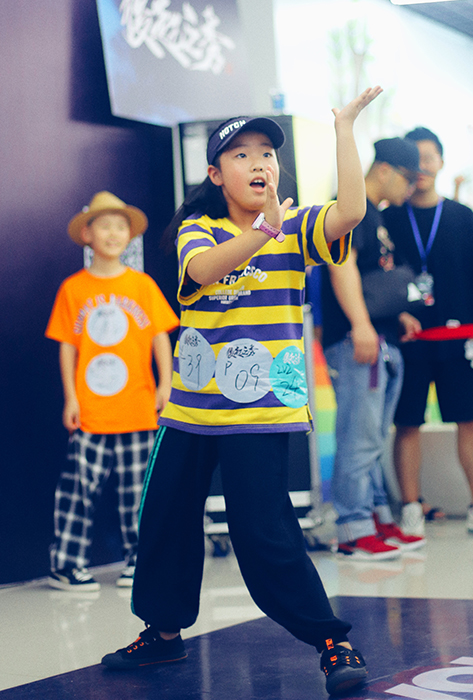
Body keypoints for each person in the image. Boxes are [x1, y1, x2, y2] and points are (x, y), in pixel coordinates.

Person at [101, 86, 382, 696]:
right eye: (242, 154)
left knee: (265, 532)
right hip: (192, 410)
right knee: (166, 519)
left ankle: (332, 642)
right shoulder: (197, 228)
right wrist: (262, 231)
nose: (259, 163)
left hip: (264, 411)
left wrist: (343, 129)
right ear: (215, 173)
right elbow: (205, 270)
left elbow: (351, 212)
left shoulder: (297, 228)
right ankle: (163, 634)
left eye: (267, 154)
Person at [45, 191, 179, 591]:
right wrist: (71, 398)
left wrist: (166, 385)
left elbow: (160, 338)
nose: (113, 233)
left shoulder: (142, 285)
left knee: (139, 492)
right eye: (104, 225)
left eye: (121, 226)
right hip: (91, 411)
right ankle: (66, 565)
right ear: (87, 234)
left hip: (138, 407)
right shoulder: (73, 289)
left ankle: (139, 561)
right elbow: (67, 347)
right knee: (77, 489)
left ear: (130, 235)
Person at [321, 137, 426, 560]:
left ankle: (375, 517)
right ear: (384, 170)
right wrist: (361, 323)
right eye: (408, 179)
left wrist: (394, 316)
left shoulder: (375, 215)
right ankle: (353, 528)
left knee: (373, 437)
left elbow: (371, 277)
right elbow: (341, 265)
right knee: (358, 436)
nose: (411, 188)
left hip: (378, 338)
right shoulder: (349, 207)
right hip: (357, 340)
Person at [384, 127, 473, 536]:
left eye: (428, 158)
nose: (421, 167)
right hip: (408, 342)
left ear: (441, 161)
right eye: (413, 160)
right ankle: (410, 508)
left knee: (467, 422)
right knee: (407, 424)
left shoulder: (462, 217)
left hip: (459, 341)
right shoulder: (388, 219)